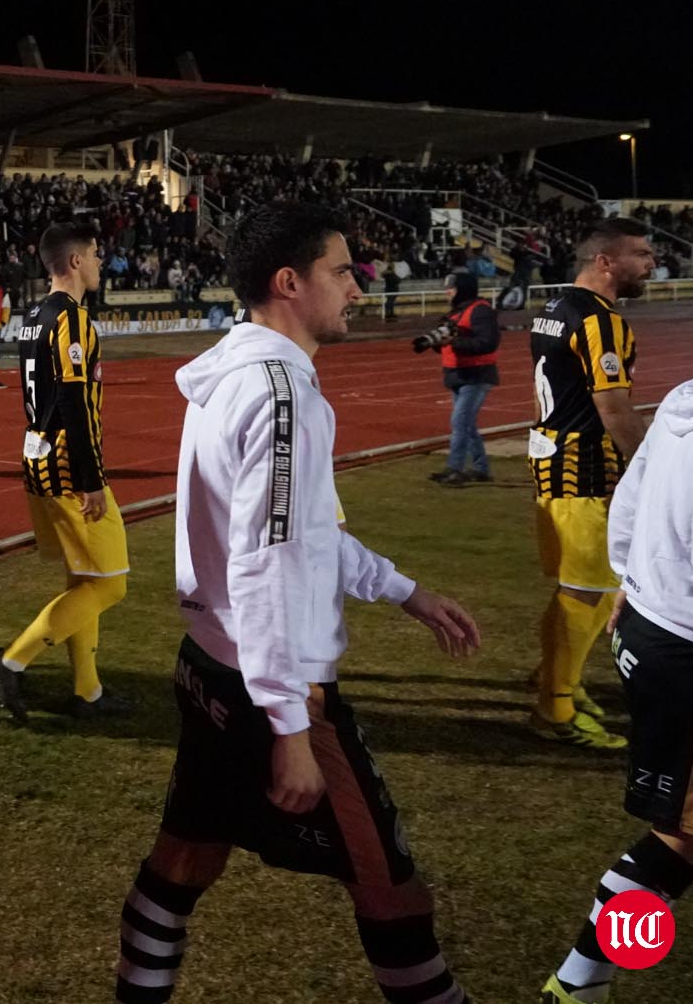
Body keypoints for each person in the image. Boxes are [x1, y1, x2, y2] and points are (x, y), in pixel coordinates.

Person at [113, 201, 481, 1004]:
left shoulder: (238, 374)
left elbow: (305, 536)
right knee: (393, 890)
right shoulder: (281, 397)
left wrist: (407, 592)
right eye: (343, 271)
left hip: (211, 667)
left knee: (186, 856)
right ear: (290, 282)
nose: (360, 286)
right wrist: (289, 725)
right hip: (271, 688)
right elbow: (267, 564)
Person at [540, 337, 693, 1004]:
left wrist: (629, 573)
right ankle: (579, 980)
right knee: (688, 840)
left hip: (656, 624)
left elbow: (632, 497)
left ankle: (581, 980)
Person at [0, 221, 133, 721]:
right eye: (93, 254)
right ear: (74, 262)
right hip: (70, 467)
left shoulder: (31, 316)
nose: (98, 263)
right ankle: (11, 660)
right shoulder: (71, 320)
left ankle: (87, 690)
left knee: (84, 579)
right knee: (110, 583)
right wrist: (91, 480)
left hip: (38, 457)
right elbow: (71, 399)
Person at [526, 218, 654, 749]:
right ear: (606, 261)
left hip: (551, 463)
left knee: (585, 588)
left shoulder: (553, 310)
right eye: (641, 254)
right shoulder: (601, 321)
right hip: (585, 471)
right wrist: (650, 467)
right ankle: (555, 708)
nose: (650, 264)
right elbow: (612, 407)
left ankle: (559, 679)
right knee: (588, 590)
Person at [419, 272, 500, 487]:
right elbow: (447, 346)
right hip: (459, 375)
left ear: (462, 289)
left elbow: (488, 343)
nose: (447, 292)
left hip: (476, 375)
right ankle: (481, 468)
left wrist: (455, 341)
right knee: (467, 425)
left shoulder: (480, 311)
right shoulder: (457, 312)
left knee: (460, 423)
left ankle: (454, 469)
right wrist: (435, 342)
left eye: (451, 288)